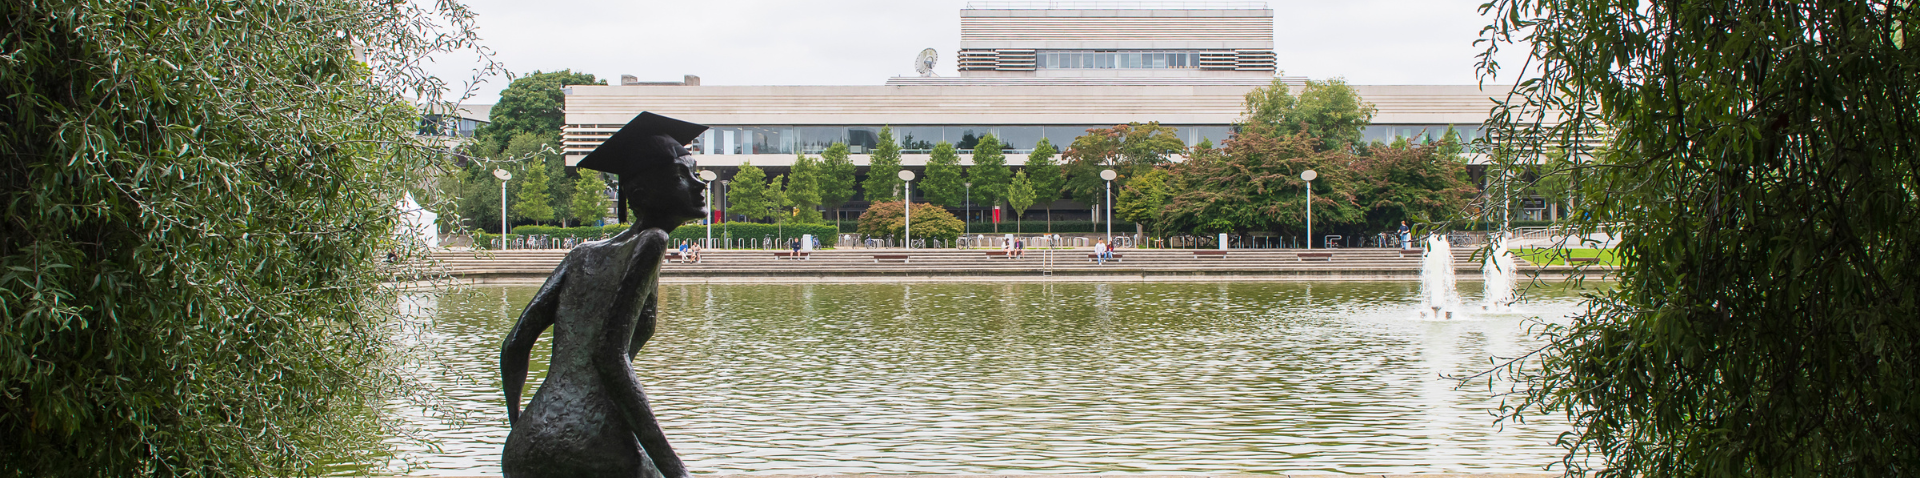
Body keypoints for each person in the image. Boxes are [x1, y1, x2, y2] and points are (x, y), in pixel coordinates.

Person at [501, 112, 706, 478]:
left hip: (530, 439)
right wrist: (674, 469)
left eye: (695, 171)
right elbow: (609, 357)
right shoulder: (651, 242)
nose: (699, 184)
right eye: (681, 175)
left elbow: (516, 343)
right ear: (640, 194)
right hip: (592, 441)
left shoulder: (581, 255)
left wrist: (518, 423)